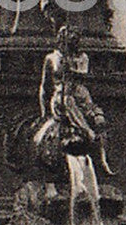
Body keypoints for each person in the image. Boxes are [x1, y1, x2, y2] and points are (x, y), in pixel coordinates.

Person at [38, 23, 110, 173]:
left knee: (97, 116)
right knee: (67, 102)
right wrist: (44, 112)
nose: (74, 41)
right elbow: (45, 87)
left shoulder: (83, 57)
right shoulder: (52, 58)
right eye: (70, 38)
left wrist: (68, 69)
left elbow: (82, 74)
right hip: (62, 94)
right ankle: (87, 131)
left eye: (76, 39)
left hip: (80, 93)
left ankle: (103, 158)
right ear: (61, 39)